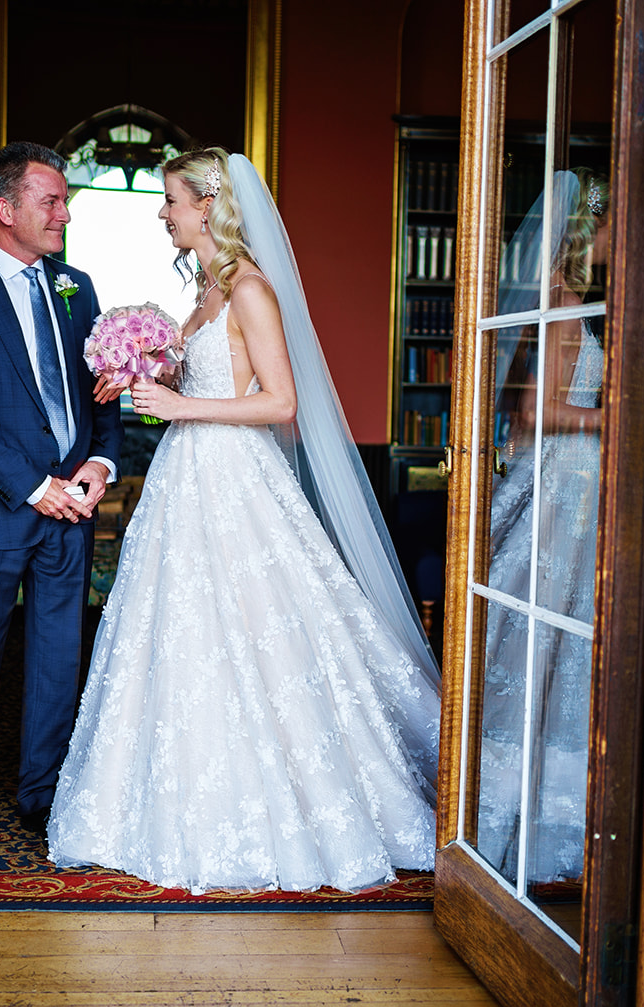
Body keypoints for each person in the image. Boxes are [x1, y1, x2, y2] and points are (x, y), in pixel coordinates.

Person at [47, 148, 440, 893]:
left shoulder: (252, 289)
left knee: (260, 633)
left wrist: (182, 406)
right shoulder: (205, 290)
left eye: (170, 200)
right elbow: (204, 373)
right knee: (181, 634)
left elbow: (282, 404)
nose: (162, 213)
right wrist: (146, 375)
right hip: (186, 481)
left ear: (206, 207)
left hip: (235, 482)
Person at [0, 141, 124, 855]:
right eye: (52, 200)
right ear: (6, 209)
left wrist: (99, 463)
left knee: (56, 657)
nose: (64, 213)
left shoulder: (79, 288)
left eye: (64, 200)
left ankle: (42, 791)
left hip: (72, 507)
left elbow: (104, 394)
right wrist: (36, 487)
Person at [476, 168, 608, 888]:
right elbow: (535, 413)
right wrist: (609, 414)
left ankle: (546, 809)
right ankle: (508, 809)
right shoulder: (561, 312)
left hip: (576, 491)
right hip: (561, 485)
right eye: (609, 226)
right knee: (541, 634)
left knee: (562, 638)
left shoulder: (574, 307)